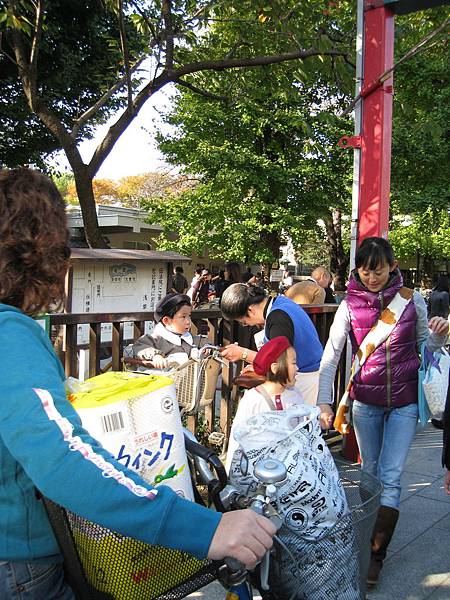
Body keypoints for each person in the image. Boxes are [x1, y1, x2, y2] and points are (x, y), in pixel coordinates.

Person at [0, 168, 276, 600]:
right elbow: (60, 456)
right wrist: (205, 528)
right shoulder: (9, 334)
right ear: (37, 248)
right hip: (21, 564)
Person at [316, 236, 449, 588]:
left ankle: (375, 554)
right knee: (369, 472)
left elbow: (425, 346)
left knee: (390, 476)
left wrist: (439, 336)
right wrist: (323, 401)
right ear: (356, 270)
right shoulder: (347, 306)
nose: (371, 277)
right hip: (365, 403)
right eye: (364, 270)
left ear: (392, 267)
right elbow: (331, 356)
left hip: (404, 401)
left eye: (377, 270)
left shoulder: (412, 300)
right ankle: (372, 528)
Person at [220, 283, 323, 405]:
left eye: (244, 321)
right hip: (309, 376)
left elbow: (280, 362)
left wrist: (244, 354)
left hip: (304, 381)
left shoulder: (277, 318)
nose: (247, 325)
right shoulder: (281, 303)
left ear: (250, 310)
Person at [225, 336, 303, 471]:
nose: (297, 368)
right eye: (293, 363)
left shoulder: (295, 395)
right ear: (275, 368)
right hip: (259, 473)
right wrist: (231, 474)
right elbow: (237, 438)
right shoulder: (253, 399)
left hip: (291, 471)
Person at [132, 293, 209, 367]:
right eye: (183, 317)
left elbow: (204, 342)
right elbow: (140, 346)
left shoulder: (191, 339)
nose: (188, 321)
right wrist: (156, 356)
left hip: (191, 379)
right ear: (166, 321)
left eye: (189, 316)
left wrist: (208, 348)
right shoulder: (156, 339)